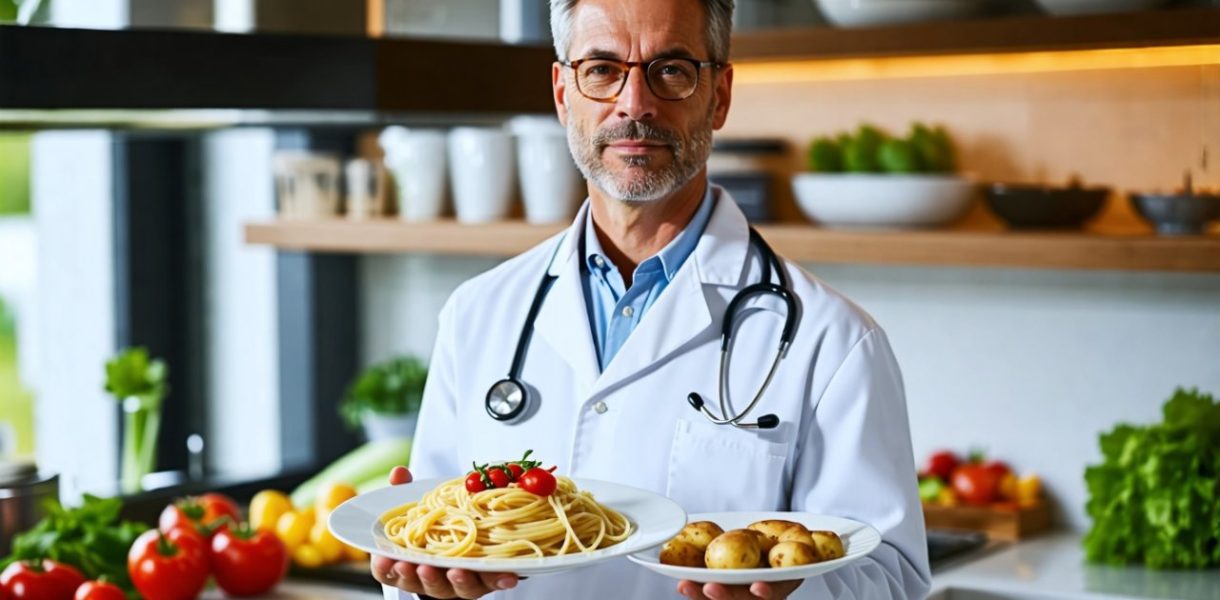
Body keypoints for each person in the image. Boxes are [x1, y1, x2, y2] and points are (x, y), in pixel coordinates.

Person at [370, 0, 931, 598]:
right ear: (563, 93)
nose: (634, 105)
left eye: (670, 69)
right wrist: (418, 585)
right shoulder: (477, 313)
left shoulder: (835, 341)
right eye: (602, 69)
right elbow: (428, 542)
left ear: (718, 95)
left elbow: (889, 575)